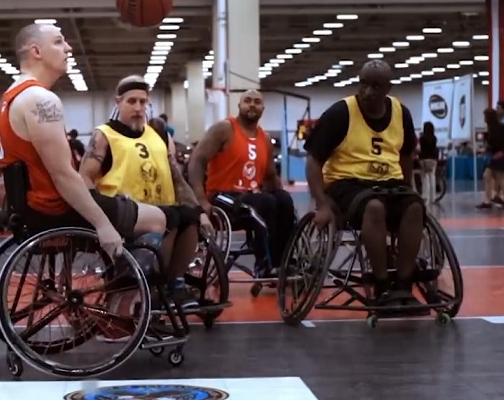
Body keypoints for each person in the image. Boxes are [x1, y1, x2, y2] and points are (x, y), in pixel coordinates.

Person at [0, 22, 172, 259]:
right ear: (36, 51)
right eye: (58, 42)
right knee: (157, 219)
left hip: (30, 208)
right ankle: (123, 292)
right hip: (55, 209)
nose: (68, 48)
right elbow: (63, 175)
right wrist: (102, 224)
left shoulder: (10, 96)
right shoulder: (40, 99)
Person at [79, 75, 215, 308]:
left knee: (188, 216)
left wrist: (199, 210)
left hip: (161, 207)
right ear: (118, 102)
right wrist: (98, 218)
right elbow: (84, 178)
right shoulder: (104, 135)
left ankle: (175, 284)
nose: (138, 108)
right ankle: (155, 286)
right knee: (170, 216)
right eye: (131, 101)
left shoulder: (160, 136)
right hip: (126, 211)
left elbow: (177, 179)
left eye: (143, 102)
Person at [303, 59, 423, 307]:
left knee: (414, 207)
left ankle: (403, 286)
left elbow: (406, 156)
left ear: (388, 88)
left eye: (376, 86)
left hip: (389, 182)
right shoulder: (340, 113)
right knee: (375, 207)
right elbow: (313, 162)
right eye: (364, 84)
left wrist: (408, 189)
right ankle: (381, 287)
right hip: (346, 184)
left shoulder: (401, 113)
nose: (368, 91)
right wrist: (322, 204)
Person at [188, 89, 295, 278]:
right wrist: (200, 201)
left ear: (263, 108)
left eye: (257, 102)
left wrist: (281, 196)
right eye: (247, 101)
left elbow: (270, 175)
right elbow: (197, 160)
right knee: (264, 203)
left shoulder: (264, 138)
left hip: (250, 197)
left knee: (283, 200)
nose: (252, 104)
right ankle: (264, 264)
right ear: (239, 105)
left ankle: (283, 261)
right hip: (221, 197)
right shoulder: (224, 129)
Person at [477, 108, 504, 210]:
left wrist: (487, 147)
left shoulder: (497, 128)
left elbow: (497, 144)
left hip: (499, 157)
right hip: (496, 157)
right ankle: (488, 200)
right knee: (487, 176)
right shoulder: (493, 128)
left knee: (501, 180)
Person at [418, 122, 439, 204]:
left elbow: (421, 149)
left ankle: (425, 196)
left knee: (425, 178)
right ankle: (433, 197)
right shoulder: (434, 138)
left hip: (424, 159)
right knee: (432, 177)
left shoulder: (422, 138)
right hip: (433, 160)